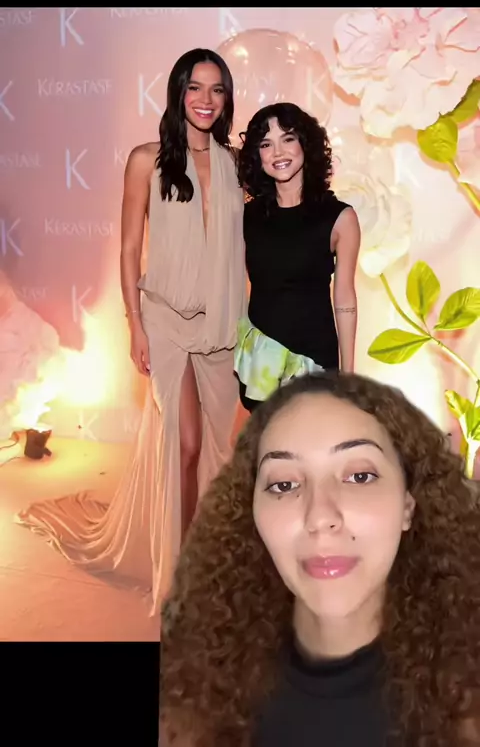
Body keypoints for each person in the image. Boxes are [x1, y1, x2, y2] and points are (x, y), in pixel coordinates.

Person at [16, 48, 247, 618]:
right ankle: (184, 575)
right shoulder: (147, 160)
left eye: (217, 89)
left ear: (227, 98)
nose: (206, 100)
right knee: (185, 444)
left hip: (222, 325)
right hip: (165, 320)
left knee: (217, 448)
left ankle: (210, 554)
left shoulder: (237, 165)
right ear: (177, 92)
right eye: (195, 87)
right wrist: (134, 324)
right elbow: (127, 248)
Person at [160, 370, 480, 746]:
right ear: (252, 514)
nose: (320, 517)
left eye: (359, 476)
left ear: (408, 505)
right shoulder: (195, 686)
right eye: (284, 484)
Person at [234, 102, 361, 414]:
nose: (278, 152)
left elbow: (345, 298)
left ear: (306, 143)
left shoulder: (340, 218)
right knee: (266, 443)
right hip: (261, 364)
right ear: (257, 155)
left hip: (315, 361)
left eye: (288, 138)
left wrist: (348, 375)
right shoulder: (245, 216)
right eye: (266, 144)